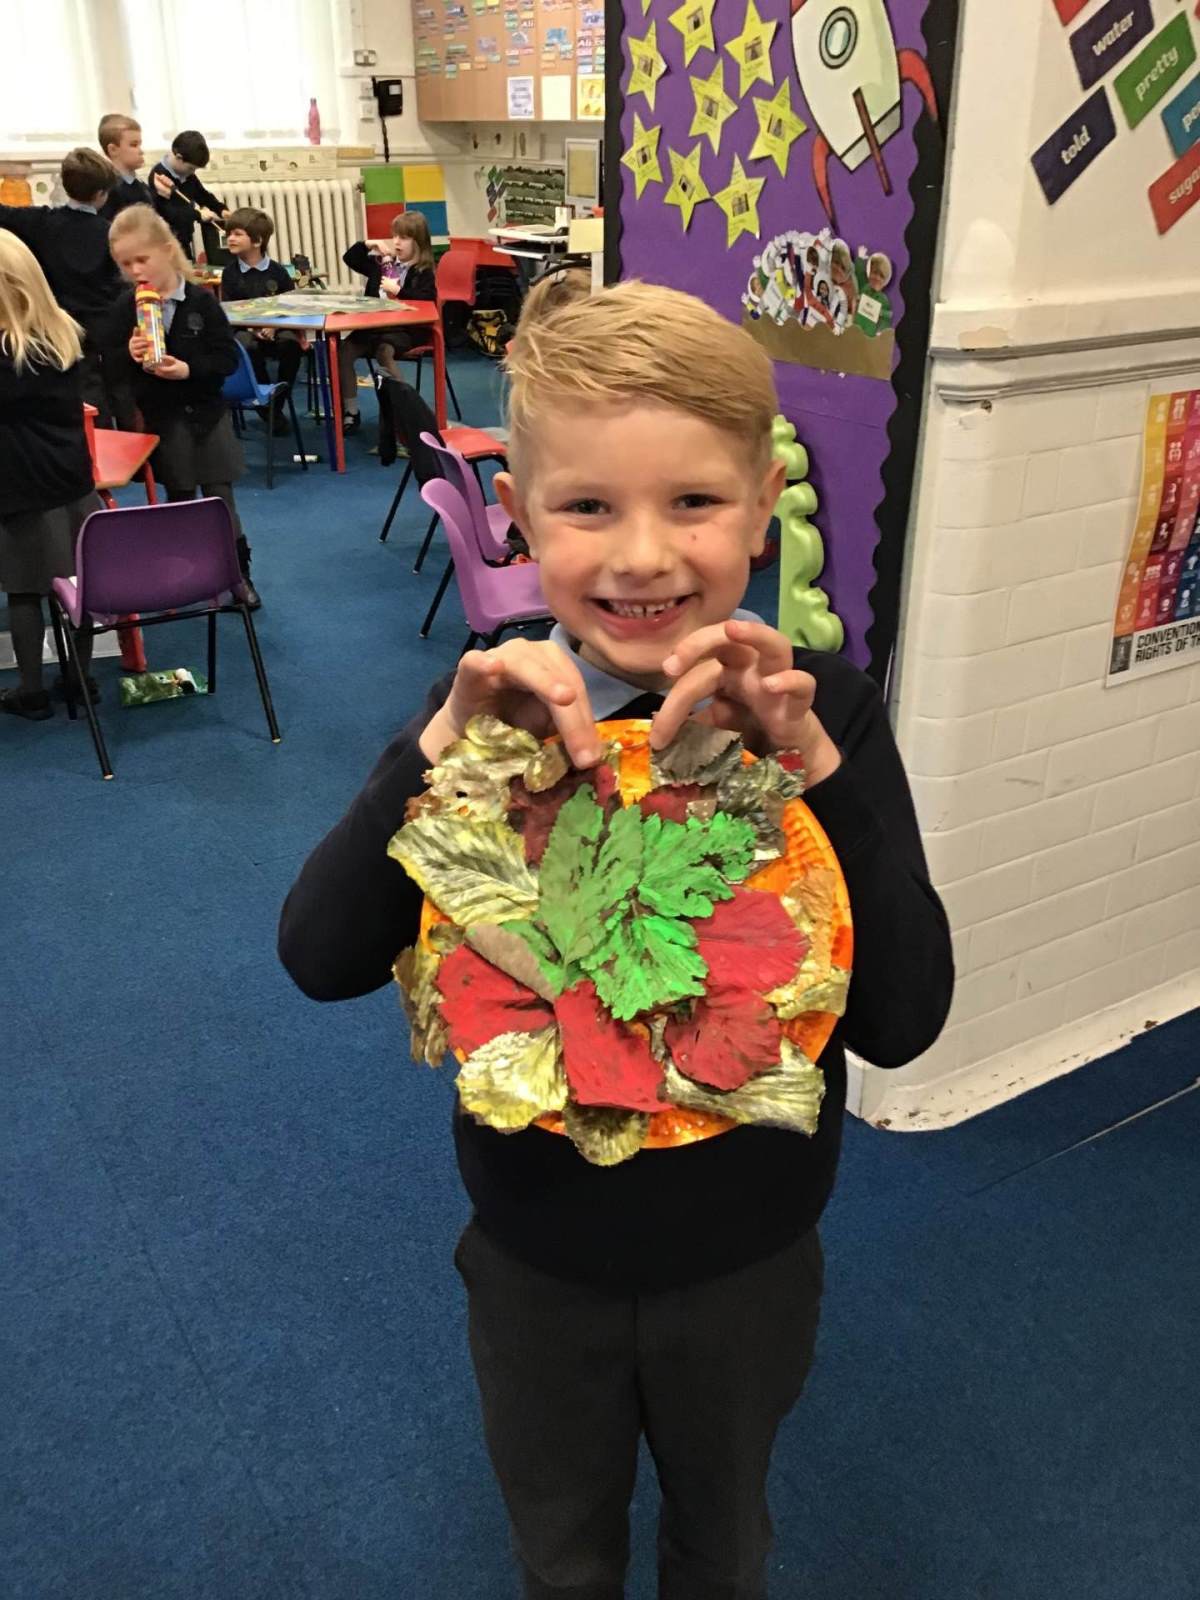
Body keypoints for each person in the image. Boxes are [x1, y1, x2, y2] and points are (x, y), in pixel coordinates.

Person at [278, 281, 954, 1600]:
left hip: (747, 1254)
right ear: (520, 518)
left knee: (725, 1543)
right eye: (588, 507)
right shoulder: (490, 715)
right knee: (563, 1553)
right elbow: (320, 954)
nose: (642, 555)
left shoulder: (828, 718)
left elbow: (905, 1018)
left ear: (762, 507)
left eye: (692, 500)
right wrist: (441, 745)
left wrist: (814, 766)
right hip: (538, 1256)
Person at [107, 205, 259, 610]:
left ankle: (238, 575)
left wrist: (189, 369)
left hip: (208, 414)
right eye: (125, 264)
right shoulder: (125, 308)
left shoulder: (201, 303)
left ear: (167, 250)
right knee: (179, 495)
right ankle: (187, 574)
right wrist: (129, 354)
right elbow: (110, 370)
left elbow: (225, 359)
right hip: (165, 418)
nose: (135, 270)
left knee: (220, 497)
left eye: (142, 259)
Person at [0, 233, 101, 720]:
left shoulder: (6, 353)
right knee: (78, 582)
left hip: (22, 491)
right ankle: (80, 680)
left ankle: (31, 691)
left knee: (24, 589)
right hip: (73, 483)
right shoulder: (61, 336)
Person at [0, 148, 127, 422]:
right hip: (105, 327)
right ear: (101, 193)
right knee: (119, 390)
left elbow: (4, 214)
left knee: (83, 394)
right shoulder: (110, 233)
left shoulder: (41, 222)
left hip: (59, 326)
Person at [339, 210, 436, 434]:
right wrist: (369, 243)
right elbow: (350, 258)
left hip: (405, 330)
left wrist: (399, 291)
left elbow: (427, 301)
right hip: (373, 327)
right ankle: (351, 411)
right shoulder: (382, 264)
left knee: (384, 352)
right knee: (344, 351)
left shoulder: (423, 272)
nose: (396, 242)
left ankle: (407, 411)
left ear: (418, 242)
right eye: (395, 236)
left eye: (404, 238)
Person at [221, 206, 301, 435]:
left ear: (257, 241)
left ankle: (276, 403)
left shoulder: (278, 272)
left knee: (291, 344)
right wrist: (251, 327)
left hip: (276, 328)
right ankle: (266, 407)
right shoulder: (230, 273)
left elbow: (290, 306)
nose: (230, 238)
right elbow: (230, 311)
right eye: (230, 234)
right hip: (245, 330)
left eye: (238, 234)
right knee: (246, 346)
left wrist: (273, 326)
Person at [150, 130, 229, 262]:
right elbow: (171, 212)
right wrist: (198, 214)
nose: (193, 172)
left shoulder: (187, 174)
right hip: (167, 240)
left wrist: (221, 209)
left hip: (183, 237)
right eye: (191, 168)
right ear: (179, 157)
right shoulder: (159, 177)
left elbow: (202, 195)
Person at [97, 114, 173, 221]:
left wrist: (163, 195)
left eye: (140, 145)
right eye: (134, 145)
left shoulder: (139, 185)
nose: (141, 151)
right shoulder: (109, 192)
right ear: (113, 150)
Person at [852, 247, 894, 338]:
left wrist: (880, 331)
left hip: (869, 335)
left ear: (885, 280)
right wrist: (861, 259)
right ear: (869, 273)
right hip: (855, 328)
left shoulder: (883, 299)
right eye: (874, 273)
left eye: (881, 276)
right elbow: (859, 273)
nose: (877, 278)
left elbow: (887, 317)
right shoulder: (864, 288)